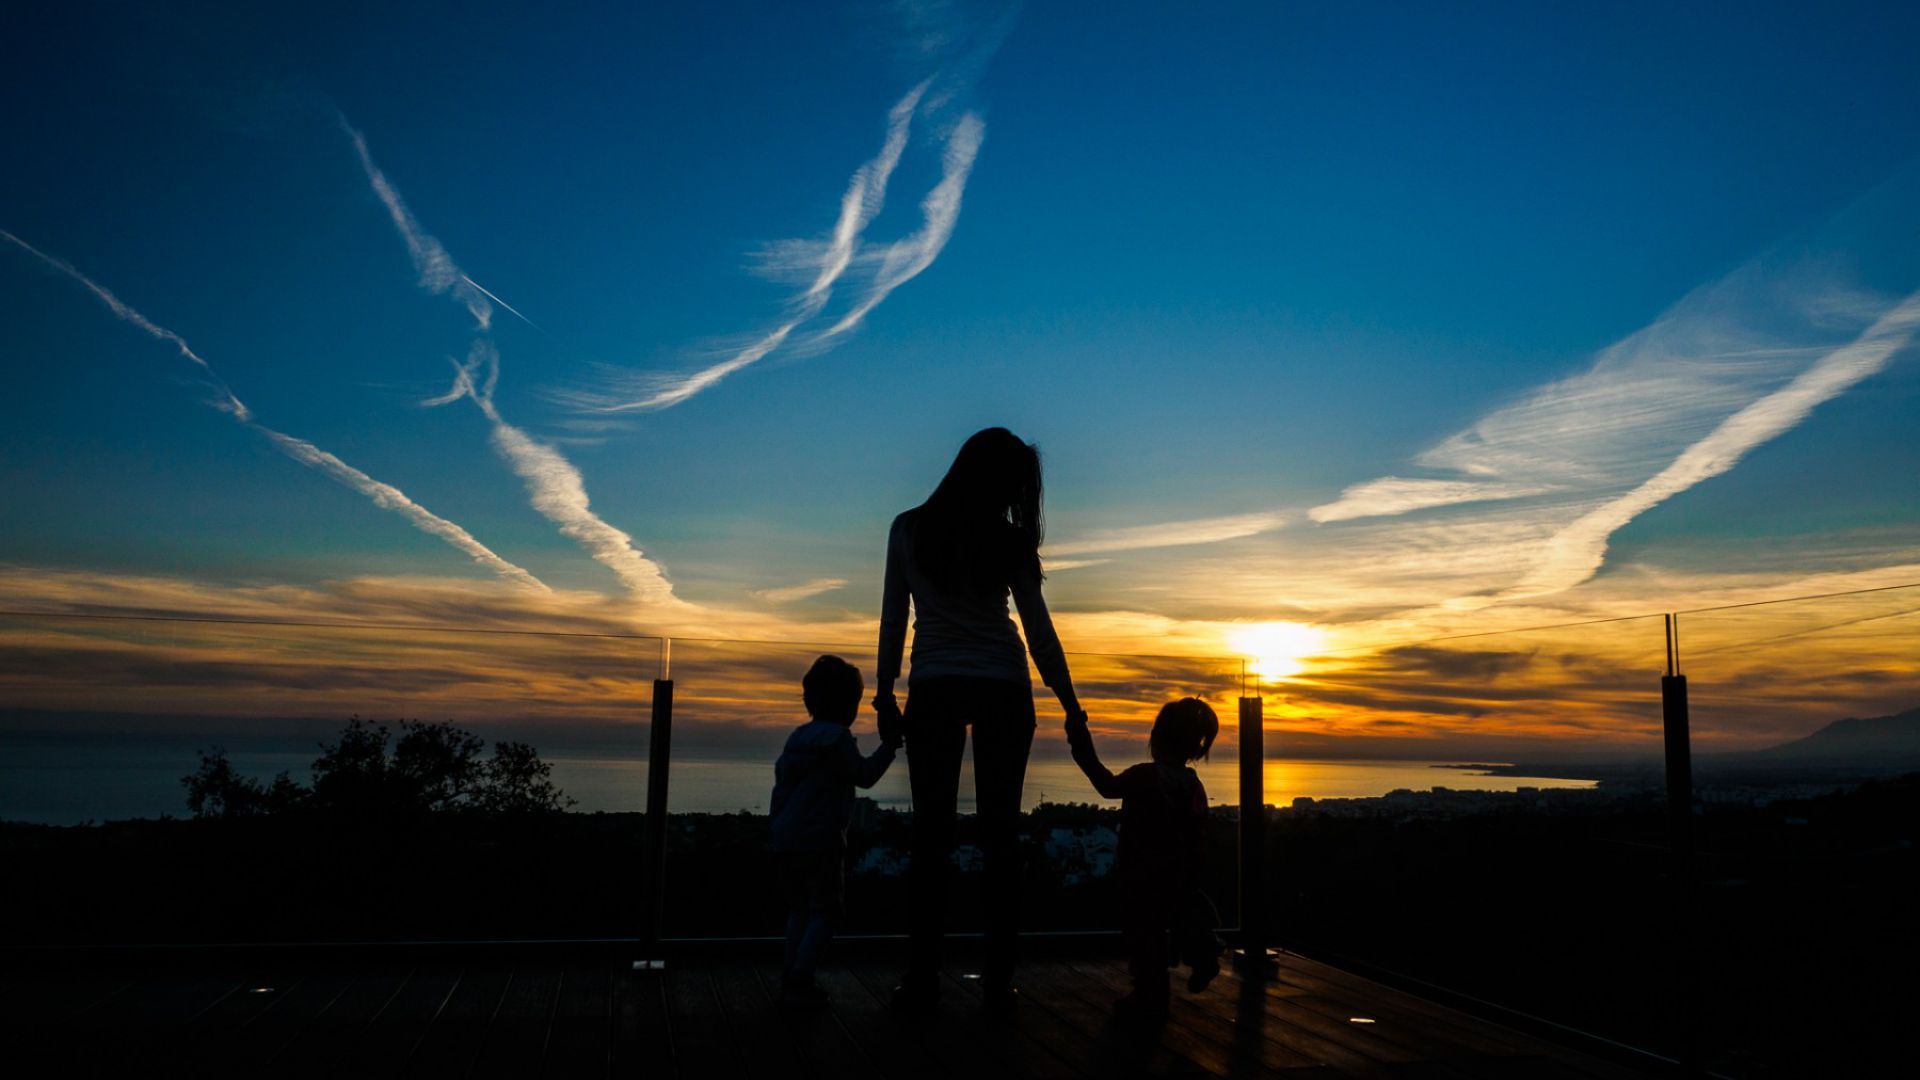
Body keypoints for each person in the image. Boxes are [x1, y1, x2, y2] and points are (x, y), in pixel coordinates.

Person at [876, 427, 1085, 1012]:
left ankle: (921, 979)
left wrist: (884, 693)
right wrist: (1072, 707)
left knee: (930, 838)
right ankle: (998, 982)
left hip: (935, 686)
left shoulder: (908, 528)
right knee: (1000, 837)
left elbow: (894, 618)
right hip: (1003, 687)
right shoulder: (1009, 540)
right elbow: (1039, 635)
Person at [1064, 698, 1223, 1019]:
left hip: (1143, 873)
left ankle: (1151, 996)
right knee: (1179, 921)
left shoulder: (1145, 776)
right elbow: (1199, 831)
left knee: (1144, 934)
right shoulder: (1193, 783)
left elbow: (1106, 787)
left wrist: (1081, 746)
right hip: (1180, 872)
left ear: (1158, 737)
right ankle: (1202, 954)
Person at [769, 654, 902, 1008]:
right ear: (847, 704)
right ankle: (801, 978)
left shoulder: (797, 739)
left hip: (786, 838)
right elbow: (864, 776)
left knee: (799, 909)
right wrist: (890, 746)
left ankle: (790, 973)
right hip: (822, 840)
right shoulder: (836, 741)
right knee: (828, 912)